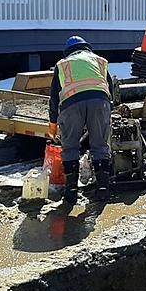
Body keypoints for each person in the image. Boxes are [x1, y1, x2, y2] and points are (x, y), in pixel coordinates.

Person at [48, 35, 113, 202]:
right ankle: (103, 189)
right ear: (86, 47)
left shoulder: (62, 64)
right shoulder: (99, 61)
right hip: (100, 102)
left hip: (71, 104)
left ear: (68, 52)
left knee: (70, 147)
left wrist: (53, 123)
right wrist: (108, 109)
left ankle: (71, 191)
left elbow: (54, 96)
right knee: (100, 145)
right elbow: (110, 87)